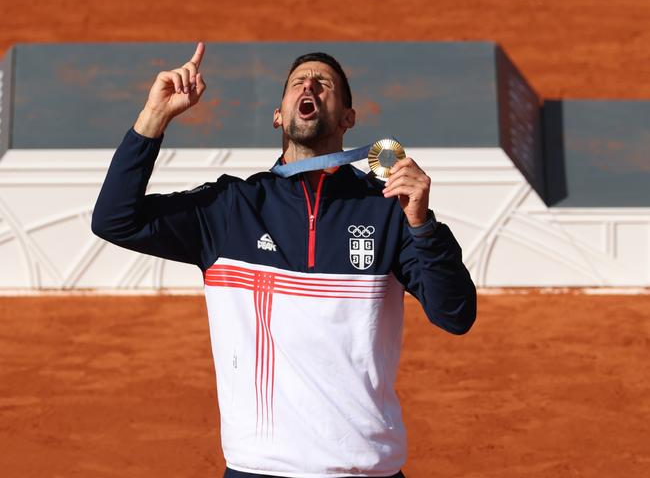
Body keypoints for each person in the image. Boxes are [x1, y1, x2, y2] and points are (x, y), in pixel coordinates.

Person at [92, 42, 476, 478]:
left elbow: (455, 314)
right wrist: (154, 116)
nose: (309, 84)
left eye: (323, 83)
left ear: (348, 118)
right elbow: (115, 220)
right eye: (298, 83)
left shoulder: (387, 208)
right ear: (279, 115)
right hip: (259, 469)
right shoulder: (231, 208)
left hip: (367, 469)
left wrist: (422, 224)